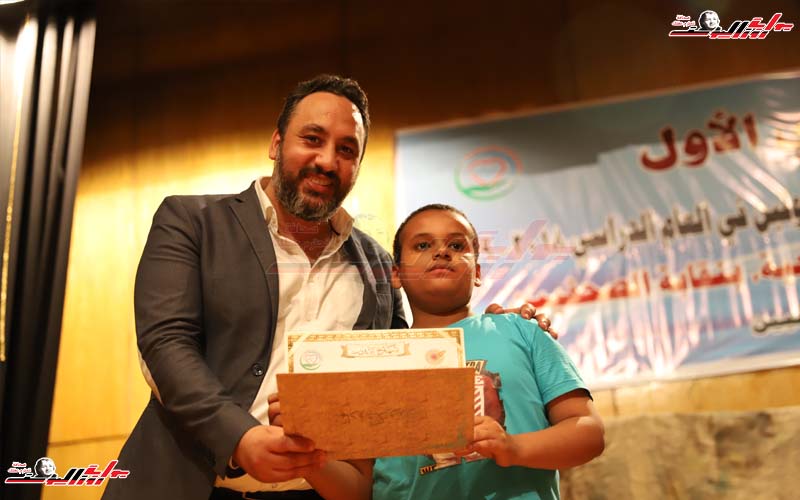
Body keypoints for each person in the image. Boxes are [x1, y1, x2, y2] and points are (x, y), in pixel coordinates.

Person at [103, 75, 550, 500]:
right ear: (276, 143)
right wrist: (239, 437)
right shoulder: (193, 222)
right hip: (183, 485)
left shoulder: (376, 263)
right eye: (312, 139)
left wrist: (494, 330)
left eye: (346, 149)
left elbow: (406, 362)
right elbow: (165, 344)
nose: (327, 161)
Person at [371, 204, 605, 500]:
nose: (441, 252)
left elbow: (589, 432)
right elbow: (360, 484)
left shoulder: (523, 331)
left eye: (457, 245)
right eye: (423, 245)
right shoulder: (375, 363)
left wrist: (514, 448)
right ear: (396, 274)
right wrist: (317, 462)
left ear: (478, 272)